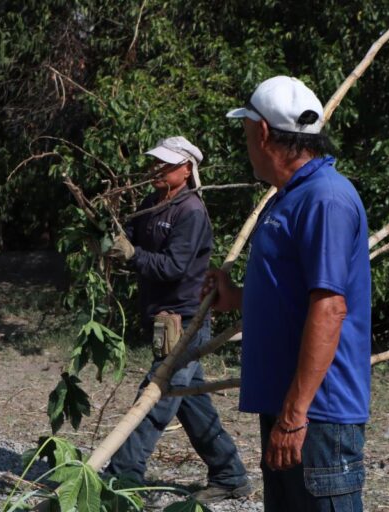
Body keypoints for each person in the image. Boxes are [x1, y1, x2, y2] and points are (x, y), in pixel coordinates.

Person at [204, 76, 372, 511]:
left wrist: (295, 416)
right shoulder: (289, 198)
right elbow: (293, 295)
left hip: (317, 415)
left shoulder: (325, 199)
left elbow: (331, 307)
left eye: (246, 133)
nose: (247, 145)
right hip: (289, 407)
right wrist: (236, 298)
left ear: (262, 132)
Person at [105, 136, 251, 503]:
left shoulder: (191, 213)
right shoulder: (151, 203)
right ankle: (230, 475)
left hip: (186, 319)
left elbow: (173, 267)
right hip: (161, 316)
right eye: (155, 162)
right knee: (189, 401)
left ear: (186, 170)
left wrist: (132, 255)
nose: (156, 169)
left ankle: (124, 476)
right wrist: (110, 239)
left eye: (166, 164)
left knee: (156, 394)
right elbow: (130, 240)